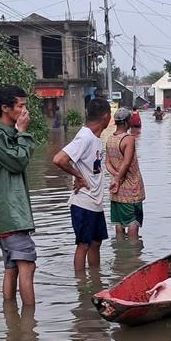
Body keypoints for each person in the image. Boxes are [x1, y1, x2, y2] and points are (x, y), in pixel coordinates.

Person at [0, 85, 37, 307]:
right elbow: (18, 162)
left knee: (12, 267)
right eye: (20, 106)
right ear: (5, 108)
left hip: (11, 212)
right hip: (9, 213)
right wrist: (22, 133)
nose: (25, 110)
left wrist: (19, 133)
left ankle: (12, 320)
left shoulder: (6, 132)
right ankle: (30, 323)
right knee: (27, 266)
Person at [52, 98, 112, 272]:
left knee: (96, 243)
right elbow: (59, 159)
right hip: (83, 202)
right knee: (83, 245)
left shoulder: (94, 138)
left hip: (95, 202)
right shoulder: (85, 137)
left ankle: (95, 279)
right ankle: (81, 283)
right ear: (106, 117)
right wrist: (78, 176)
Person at [107, 107, 146, 239]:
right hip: (131, 189)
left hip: (116, 190)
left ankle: (120, 250)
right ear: (126, 122)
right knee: (133, 222)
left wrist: (116, 178)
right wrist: (118, 179)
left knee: (119, 223)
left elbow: (107, 163)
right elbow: (127, 163)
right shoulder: (128, 139)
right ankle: (133, 250)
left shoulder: (110, 139)